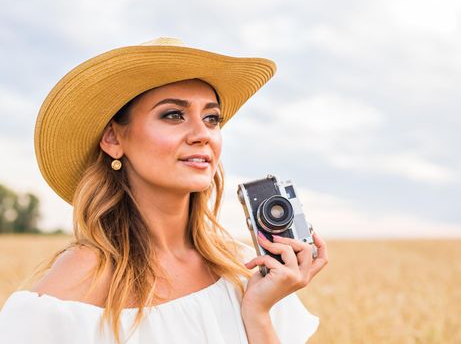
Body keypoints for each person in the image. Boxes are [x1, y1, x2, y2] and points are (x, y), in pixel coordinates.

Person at [0, 37, 328, 344]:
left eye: (212, 118)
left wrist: (258, 313)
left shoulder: (245, 269)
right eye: (173, 115)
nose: (203, 134)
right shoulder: (79, 282)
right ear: (113, 139)